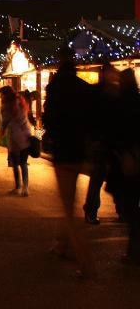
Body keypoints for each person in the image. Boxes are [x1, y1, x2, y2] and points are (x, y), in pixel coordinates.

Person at [42, 47, 96, 278]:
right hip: (81, 150)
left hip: (64, 152)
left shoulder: (55, 88)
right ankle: (61, 244)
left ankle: (86, 264)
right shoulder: (83, 87)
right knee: (68, 200)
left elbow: (49, 119)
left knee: (68, 206)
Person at [83, 64, 119, 225]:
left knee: (99, 177)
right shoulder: (111, 93)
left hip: (102, 140)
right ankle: (93, 209)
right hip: (105, 141)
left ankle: (92, 210)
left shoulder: (95, 92)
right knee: (100, 176)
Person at [113, 68, 140, 265]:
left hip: (127, 160)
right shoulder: (136, 100)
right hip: (133, 157)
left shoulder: (121, 102)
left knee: (129, 205)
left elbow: (119, 132)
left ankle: (134, 251)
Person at [0, 86, 32, 197]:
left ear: (5, 95)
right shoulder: (21, 101)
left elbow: (4, 121)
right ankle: (26, 187)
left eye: (1, 94)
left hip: (14, 136)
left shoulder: (6, 106)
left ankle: (17, 187)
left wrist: (2, 132)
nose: (0, 96)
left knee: (15, 162)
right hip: (26, 134)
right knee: (23, 162)